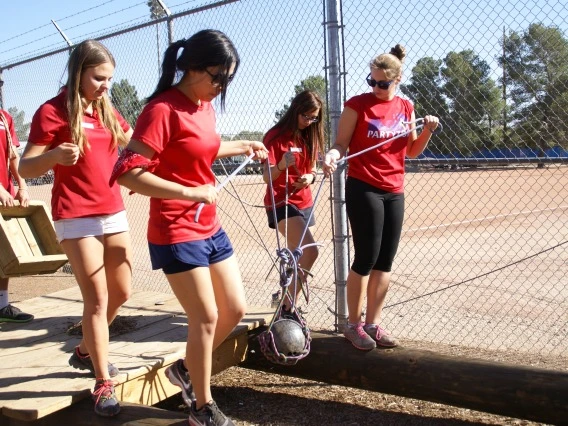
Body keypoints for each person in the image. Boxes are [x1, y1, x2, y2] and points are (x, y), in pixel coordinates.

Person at [110, 29, 267, 426]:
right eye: (218, 77)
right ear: (192, 67)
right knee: (206, 317)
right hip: (176, 230)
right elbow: (127, 173)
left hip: (208, 227)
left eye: (227, 80)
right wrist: (189, 192)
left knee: (234, 309)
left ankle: (184, 368)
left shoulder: (203, 106)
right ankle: (201, 406)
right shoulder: (162, 109)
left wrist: (244, 143)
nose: (221, 86)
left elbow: (202, 147)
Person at [19, 40, 133, 416]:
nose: (105, 86)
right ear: (79, 72)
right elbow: (26, 167)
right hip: (76, 215)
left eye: (109, 79)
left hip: (113, 210)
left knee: (122, 291)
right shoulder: (52, 111)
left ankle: (85, 350)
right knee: (97, 300)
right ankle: (103, 382)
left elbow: (134, 145)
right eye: (99, 78)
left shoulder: (106, 109)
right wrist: (52, 156)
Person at [323, 45, 439, 351]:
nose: (375, 87)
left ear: (397, 79)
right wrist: (331, 157)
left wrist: (427, 130)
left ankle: (373, 324)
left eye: (382, 83)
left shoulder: (406, 107)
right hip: (364, 187)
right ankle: (353, 325)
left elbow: (411, 152)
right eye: (370, 81)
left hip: (394, 189)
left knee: (385, 262)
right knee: (366, 258)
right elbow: (340, 144)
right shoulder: (357, 105)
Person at [262, 90, 324, 315]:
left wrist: (311, 177)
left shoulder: (311, 136)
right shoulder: (275, 136)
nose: (309, 122)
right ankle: (287, 308)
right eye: (305, 116)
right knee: (310, 252)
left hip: (304, 201)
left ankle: (282, 298)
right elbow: (266, 176)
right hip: (281, 202)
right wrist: (280, 166)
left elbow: (313, 168)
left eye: (313, 118)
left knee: (294, 259)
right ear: (295, 110)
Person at [0, 109, 33, 323]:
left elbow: (13, 155)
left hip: (5, 196)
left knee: (3, 253)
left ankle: (2, 306)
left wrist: (22, 185)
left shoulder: (4, 117)